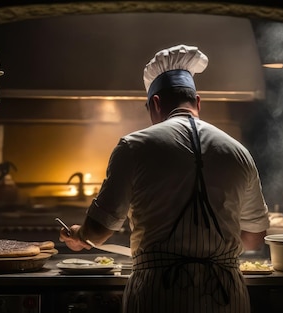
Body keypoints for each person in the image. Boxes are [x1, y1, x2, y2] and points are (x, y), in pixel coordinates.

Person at [59, 44, 270, 313]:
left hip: (159, 294)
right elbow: (254, 239)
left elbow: (99, 231)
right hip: (226, 294)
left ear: (155, 103)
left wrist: (80, 235)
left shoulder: (133, 146)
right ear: (198, 102)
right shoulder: (238, 152)